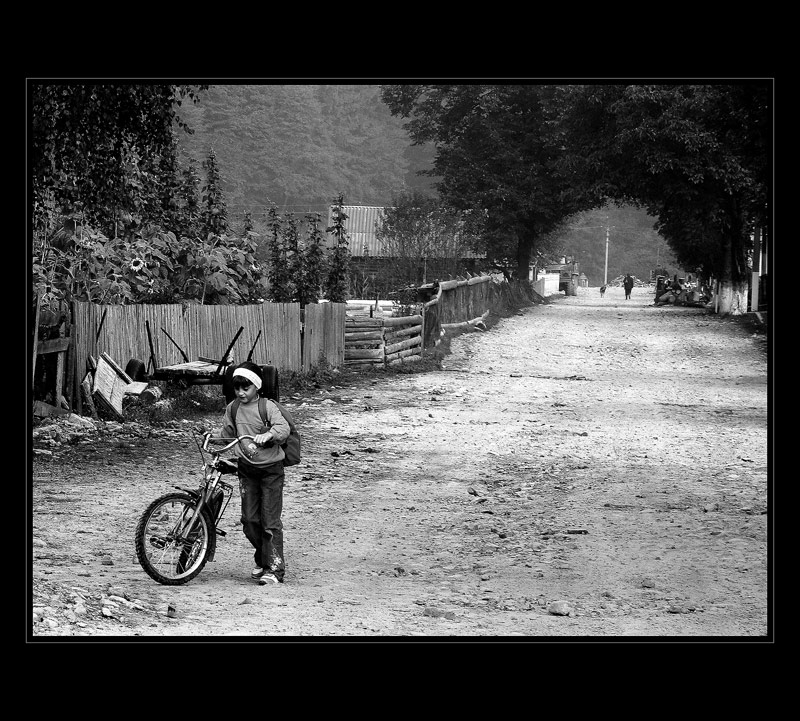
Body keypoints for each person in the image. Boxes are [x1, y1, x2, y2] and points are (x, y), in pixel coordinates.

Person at [206, 361, 291, 585]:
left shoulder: (267, 407)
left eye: (246, 388)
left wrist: (269, 434)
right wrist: (212, 437)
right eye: (237, 388)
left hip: (271, 470)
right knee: (249, 520)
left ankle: (274, 569)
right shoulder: (233, 408)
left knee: (270, 521)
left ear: (257, 386)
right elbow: (228, 433)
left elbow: (283, 429)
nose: (241, 393)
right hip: (247, 470)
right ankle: (264, 557)